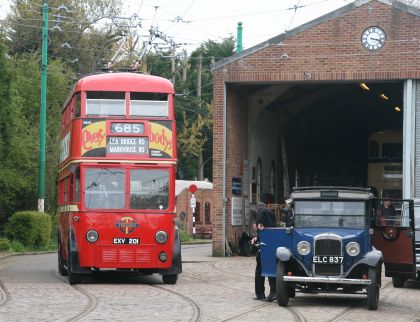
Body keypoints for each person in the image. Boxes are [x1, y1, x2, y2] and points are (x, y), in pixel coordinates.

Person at [252, 202, 276, 302]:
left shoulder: (261, 211)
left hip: (264, 246)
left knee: (259, 272)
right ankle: (274, 292)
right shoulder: (271, 214)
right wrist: (257, 237)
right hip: (272, 245)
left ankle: (260, 293)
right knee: (271, 270)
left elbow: (261, 223)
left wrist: (259, 223)